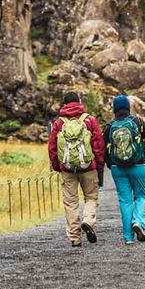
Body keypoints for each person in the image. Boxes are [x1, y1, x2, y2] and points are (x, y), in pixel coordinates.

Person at [47, 92, 105, 247]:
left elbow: (52, 146)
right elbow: (98, 143)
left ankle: (75, 238)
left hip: (67, 168)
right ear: (79, 101)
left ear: (64, 104)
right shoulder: (89, 120)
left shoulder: (58, 123)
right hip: (88, 167)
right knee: (91, 197)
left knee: (71, 202)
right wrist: (99, 163)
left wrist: (57, 165)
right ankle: (88, 220)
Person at [103, 95, 145, 245]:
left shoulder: (109, 126)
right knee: (140, 196)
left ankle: (128, 237)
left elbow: (102, 148)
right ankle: (138, 222)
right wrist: (139, 149)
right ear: (128, 107)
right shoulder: (137, 121)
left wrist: (109, 163)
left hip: (117, 169)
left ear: (114, 108)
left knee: (125, 201)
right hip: (138, 166)